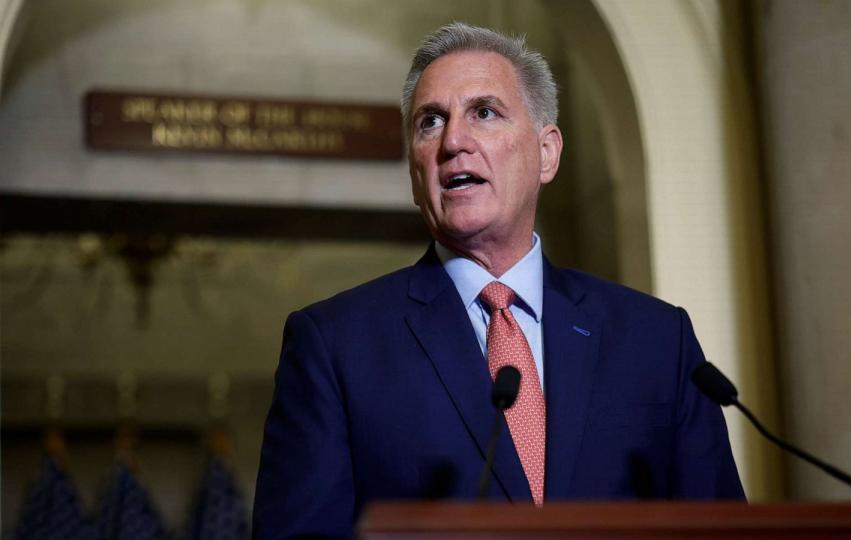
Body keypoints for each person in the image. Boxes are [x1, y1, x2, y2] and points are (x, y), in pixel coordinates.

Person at [253, 22, 743, 540]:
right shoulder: (334, 346)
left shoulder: (657, 340)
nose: (453, 142)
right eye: (430, 122)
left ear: (547, 153)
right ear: (415, 174)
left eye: (483, 112)